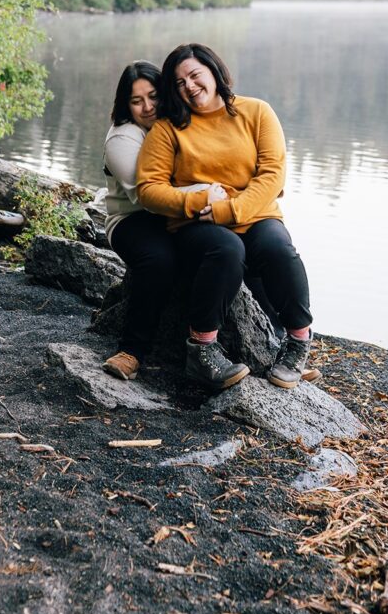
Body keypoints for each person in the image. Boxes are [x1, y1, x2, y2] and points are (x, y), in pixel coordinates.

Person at [137, 43, 313, 391]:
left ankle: (297, 344)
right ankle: (201, 351)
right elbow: (149, 189)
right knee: (227, 249)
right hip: (196, 225)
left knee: (278, 249)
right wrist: (198, 202)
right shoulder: (168, 129)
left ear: (214, 72)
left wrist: (228, 210)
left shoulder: (256, 112)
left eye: (194, 75)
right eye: (179, 82)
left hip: (255, 215)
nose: (189, 86)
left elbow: (273, 174)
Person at [101, 61, 209, 381]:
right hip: (131, 218)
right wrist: (207, 193)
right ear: (126, 104)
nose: (147, 107)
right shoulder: (122, 139)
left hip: (177, 211)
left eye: (153, 96)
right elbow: (146, 197)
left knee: (229, 247)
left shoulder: (177, 121)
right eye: (136, 101)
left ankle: (272, 343)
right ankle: (131, 352)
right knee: (159, 259)